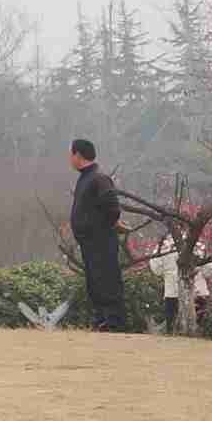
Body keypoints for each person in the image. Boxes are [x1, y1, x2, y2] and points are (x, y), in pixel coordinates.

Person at [68, 139, 129, 332]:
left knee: (107, 279)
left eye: (71, 154)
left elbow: (112, 207)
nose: (69, 159)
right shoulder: (85, 178)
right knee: (94, 280)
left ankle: (114, 321)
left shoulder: (98, 178)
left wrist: (110, 225)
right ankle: (101, 319)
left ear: (78, 155)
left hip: (102, 240)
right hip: (89, 242)